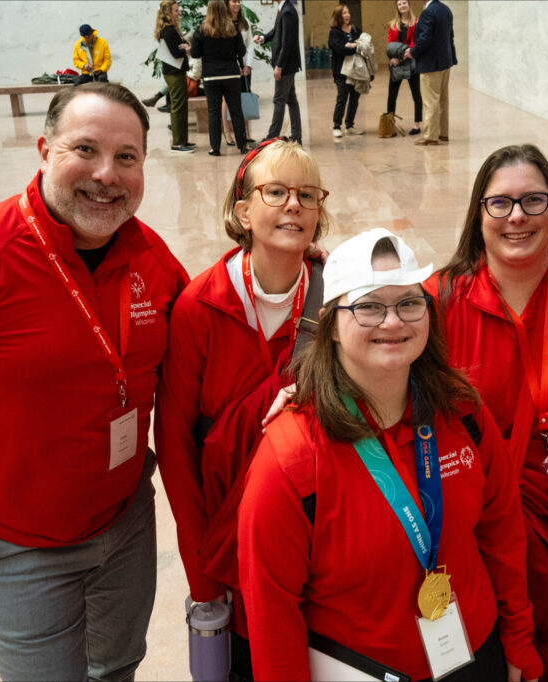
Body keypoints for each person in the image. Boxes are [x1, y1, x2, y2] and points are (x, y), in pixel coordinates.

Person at [0, 82, 189, 680]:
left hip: (125, 518)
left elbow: (207, 345)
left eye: (127, 157)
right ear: (43, 150)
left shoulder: (149, 257)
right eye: (84, 149)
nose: (106, 175)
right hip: (15, 544)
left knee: (117, 666)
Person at [239, 228, 544, 682]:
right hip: (363, 670)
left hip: (473, 656)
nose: (393, 321)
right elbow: (272, 614)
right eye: (368, 306)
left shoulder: (463, 413)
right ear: (330, 326)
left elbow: (501, 534)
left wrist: (518, 637)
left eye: (408, 302)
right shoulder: (292, 457)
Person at [425, 144, 548, 681]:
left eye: (533, 200)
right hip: (463, 517)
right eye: (499, 204)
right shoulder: (437, 301)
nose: (517, 216)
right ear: (478, 216)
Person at [156, 138, 329, 680]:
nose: (293, 205)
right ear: (243, 211)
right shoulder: (200, 305)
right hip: (227, 545)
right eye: (275, 191)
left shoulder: (338, 301)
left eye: (307, 194)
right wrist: (203, 579)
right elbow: (177, 448)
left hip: (311, 536)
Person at [192, 0, 248, 156]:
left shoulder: (202, 30)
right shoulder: (232, 28)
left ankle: (215, 148)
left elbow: (195, 53)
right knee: (236, 110)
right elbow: (241, 51)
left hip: (211, 77)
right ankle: (242, 145)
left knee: (214, 112)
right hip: (231, 74)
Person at [405, 0, 455, 146]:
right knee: (443, 99)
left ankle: (431, 136)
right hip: (445, 62)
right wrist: (451, 57)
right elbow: (450, 36)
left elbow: (425, 38)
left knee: (430, 101)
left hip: (431, 64)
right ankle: (443, 133)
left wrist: (412, 52)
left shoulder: (428, 12)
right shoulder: (446, 9)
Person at [254, 0, 303, 145]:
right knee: (291, 100)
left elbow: (287, 43)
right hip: (287, 64)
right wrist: (263, 38)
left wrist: (279, 66)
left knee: (279, 100)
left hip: (286, 65)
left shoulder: (287, 11)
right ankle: (297, 136)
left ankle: (271, 138)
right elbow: (277, 31)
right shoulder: (284, 9)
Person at [156, 0, 195, 153]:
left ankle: (183, 140)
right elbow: (175, 52)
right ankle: (178, 143)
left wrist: (183, 46)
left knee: (182, 106)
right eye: (175, 10)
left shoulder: (171, 30)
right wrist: (187, 49)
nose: (179, 13)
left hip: (177, 71)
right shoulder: (168, 31)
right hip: (173, 72)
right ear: (168, 13)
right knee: (178, 107)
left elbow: (178, 46)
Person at [386, 0, 422, 136]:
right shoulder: (393, 24)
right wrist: (392, 58)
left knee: (416, 94)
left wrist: (408, 52)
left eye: (404, 3)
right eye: (400, 4)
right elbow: (390, 43)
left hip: (411, 61)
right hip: (396, 63)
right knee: (392, 95)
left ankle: (417, 124)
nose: (402, 5)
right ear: (397, 7)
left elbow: (415, 41)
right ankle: (390, 125)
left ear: (409, 4)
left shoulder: (416, 23)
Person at [225, 0, 256, 150]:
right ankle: (228, 132)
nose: (237, 4)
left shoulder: (245, 22)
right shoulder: (223, 22)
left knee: (245, 97)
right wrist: (236, 65)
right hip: (231, 67)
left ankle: (247, 132)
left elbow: (250, 44)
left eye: (238, 1)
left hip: (245, 67)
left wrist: (248, 64)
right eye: (233, 1)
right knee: (229, 99)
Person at [328, 4, 362, 139]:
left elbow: (365, 44)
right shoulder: (334, 32)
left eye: (348, 13)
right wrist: (355, 46)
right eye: (344, 13)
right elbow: (340, 49)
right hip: (341, 72)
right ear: (338, 16)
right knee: (342, 98)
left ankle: (349, 125)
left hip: (356, 71)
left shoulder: (355, 30)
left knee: (355, 98)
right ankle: (336, 126)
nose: (347, 15)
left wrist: (352, 45)